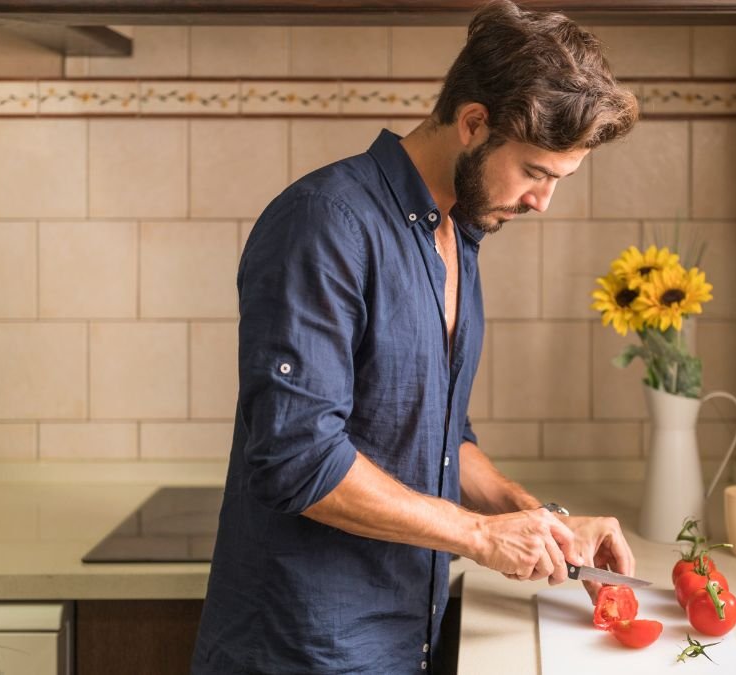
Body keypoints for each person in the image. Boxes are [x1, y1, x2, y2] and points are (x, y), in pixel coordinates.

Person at [191, 2, 641, 673]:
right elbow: (296, 457)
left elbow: (441, 438)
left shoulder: (457, 233)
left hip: (401, 637)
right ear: (473, 123)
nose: (542, 202)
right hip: (303, 649)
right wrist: (481, 535)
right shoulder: (326, 223)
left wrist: (540, 519)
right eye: (536, 173)